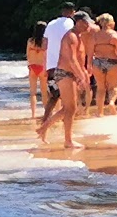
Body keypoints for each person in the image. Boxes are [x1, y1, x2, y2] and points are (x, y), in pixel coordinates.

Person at [37, 13, 91, 149]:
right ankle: (68, 140)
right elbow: (71, 59)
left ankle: (44, 128)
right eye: (86, 22)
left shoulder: (79, 36)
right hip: (64, 73)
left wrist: (83, 73)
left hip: (71, 74)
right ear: (78, 22)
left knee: (70, 107)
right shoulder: (71, 36)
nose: (88, 25)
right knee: (70, 108)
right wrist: (82, 77)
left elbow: (80, 58)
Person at [36, 3, 78, 135]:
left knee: (54, 97)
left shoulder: (51, 24)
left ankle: (45, 122)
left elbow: (44, 46)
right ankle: (56, 130)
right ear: (73, 12)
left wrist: (45, 66)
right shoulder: (71, 24)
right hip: (66, 65)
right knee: (70, 103)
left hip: (51, 67)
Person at [88, 13, 117, 117]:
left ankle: (100, 112)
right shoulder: (113, 35)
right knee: (113, 87)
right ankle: (111, 103)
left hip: (97, 62)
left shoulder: (95, 36)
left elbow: (90, 53)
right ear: (111, 23)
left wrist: (89, 65)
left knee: (100, 88)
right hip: (111, 62)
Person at [25, 22, 49, 120]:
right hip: (42, 67)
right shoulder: (46, 41)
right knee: (44, 92)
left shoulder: (30, 41)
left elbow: (27, 55)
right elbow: (47, 56)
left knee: (33, 93)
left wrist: (29, 65)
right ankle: (46, 113)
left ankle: (33, 114)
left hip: (33, 66)